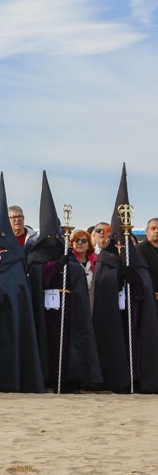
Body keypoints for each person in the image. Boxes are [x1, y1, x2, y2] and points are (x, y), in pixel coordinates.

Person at [27, 172, 100, 392]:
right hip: (45, 310)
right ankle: (47, 377)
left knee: (69, 342)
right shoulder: (35, 256)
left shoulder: (69, 260)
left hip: (67, 308)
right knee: (46, 341)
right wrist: (54, 267)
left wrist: (69, 266)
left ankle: (69, 377)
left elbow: (78, 280)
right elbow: (36, 273)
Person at [89, 165, 158, 393]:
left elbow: (144, 286)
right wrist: (118, 276)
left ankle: (136, 376)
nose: (119, 244)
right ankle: (113, 377)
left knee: (134, 341)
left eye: (123, 239)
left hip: (133, 312)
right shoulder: (105, 259)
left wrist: (134, 278)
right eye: (116, 238)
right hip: (112, 313)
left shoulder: (136, 257)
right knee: (113, 340)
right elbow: (101, 286)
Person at [0, 175, 44, 393]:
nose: (17, 220)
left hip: (16, 304)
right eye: (12, 217)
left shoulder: (31, 243)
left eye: (20, 217)